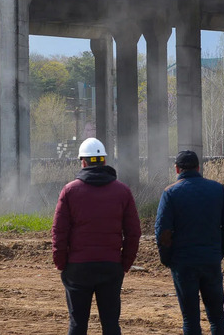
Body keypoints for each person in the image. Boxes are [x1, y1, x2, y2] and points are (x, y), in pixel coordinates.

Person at [52, 137, 141, 335]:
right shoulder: (122, 191)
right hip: (110, 267)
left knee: (77, 325)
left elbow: (59, 232)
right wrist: (123, 264)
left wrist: (62, 264)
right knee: (110, 324)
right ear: (104, 161)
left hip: (77, 268)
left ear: (83, 161)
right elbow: (134, 233)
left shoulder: (69, 191)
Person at [155, 150, 224, 335]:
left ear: (177, 169)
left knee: (190, 320)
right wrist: (220, 251)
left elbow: (163, 233)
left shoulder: (170, 193)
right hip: (210, 261)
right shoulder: (217, 189)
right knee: (218, 317)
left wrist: (168, 259)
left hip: (183, 264)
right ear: (199, 167)